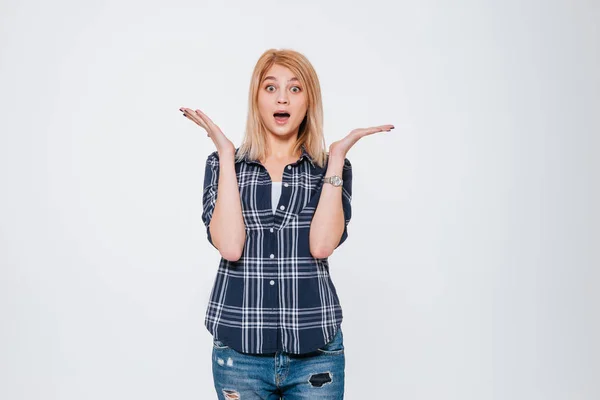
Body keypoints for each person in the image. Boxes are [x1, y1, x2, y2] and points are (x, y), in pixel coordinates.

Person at [179, 48, 394, 400]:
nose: (282, 97)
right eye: (270, 88)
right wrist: (225, 152)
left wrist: (337, 157)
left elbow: (322, 246)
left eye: (295, 89)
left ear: (309, 100)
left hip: (315, 354)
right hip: (239, 351)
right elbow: (230, 246)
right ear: (256, 98)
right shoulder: (223, 165)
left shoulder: (329, 170)